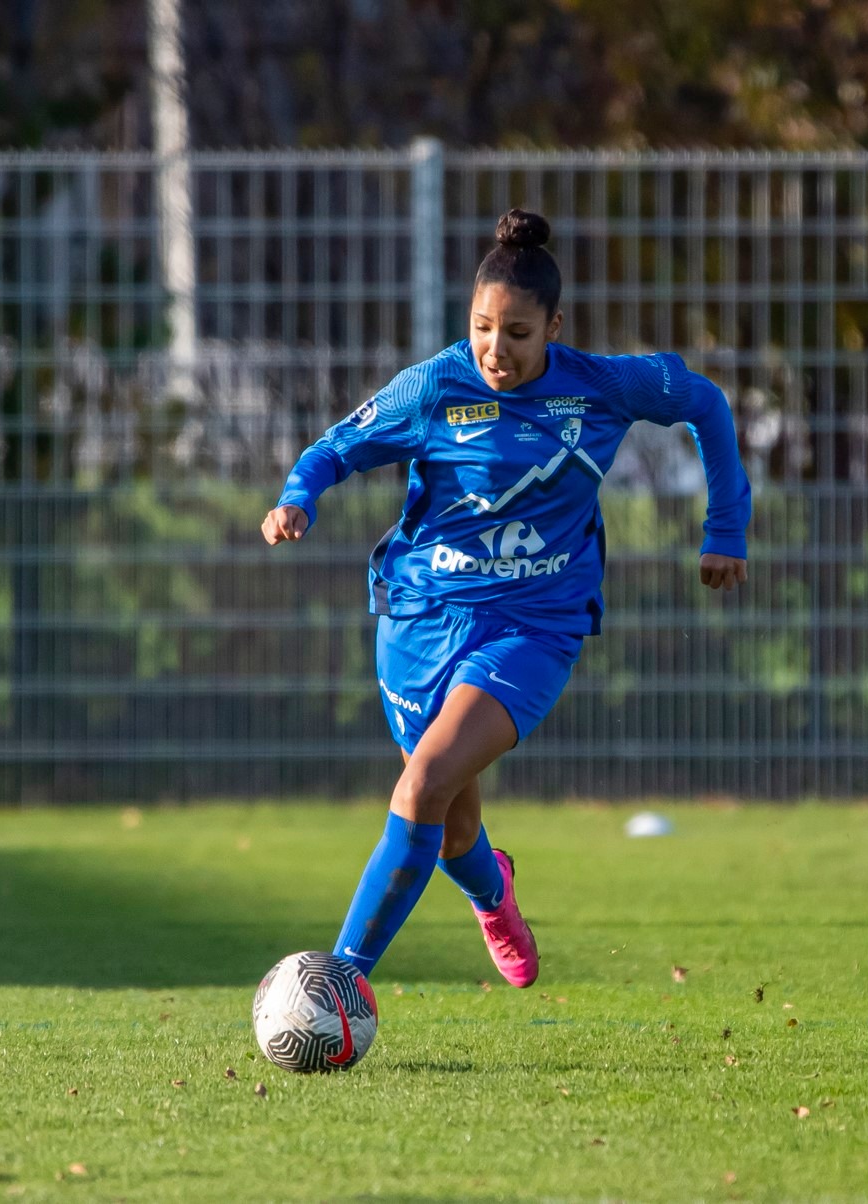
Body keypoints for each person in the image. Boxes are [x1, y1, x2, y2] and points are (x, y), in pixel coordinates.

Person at [262, 208, 751, 988]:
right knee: (452, 825)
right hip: (420, 616)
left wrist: (725, 527)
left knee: (421, 785)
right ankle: (495, 895)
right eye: (483, 328)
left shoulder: (601, 386)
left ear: (554, 327)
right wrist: (297, 498)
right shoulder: (435, 386)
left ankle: (341, 981)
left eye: (518, 333)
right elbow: (336, 449)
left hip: (535, 624)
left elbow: (706, 403)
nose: (496, 349)